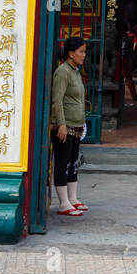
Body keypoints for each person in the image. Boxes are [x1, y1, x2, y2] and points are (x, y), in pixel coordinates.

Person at [52, 36, 88, 216]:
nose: (84, 55)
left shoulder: (75, 71)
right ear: (71, 53)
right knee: (62, 163)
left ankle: (73, 198)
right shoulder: (62, 72)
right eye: (81, 52)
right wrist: (61, 124)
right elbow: (57, 100)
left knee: (74, 163)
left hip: (77, 125)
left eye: (84, 52)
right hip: (65, 126)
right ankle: (63, 203)